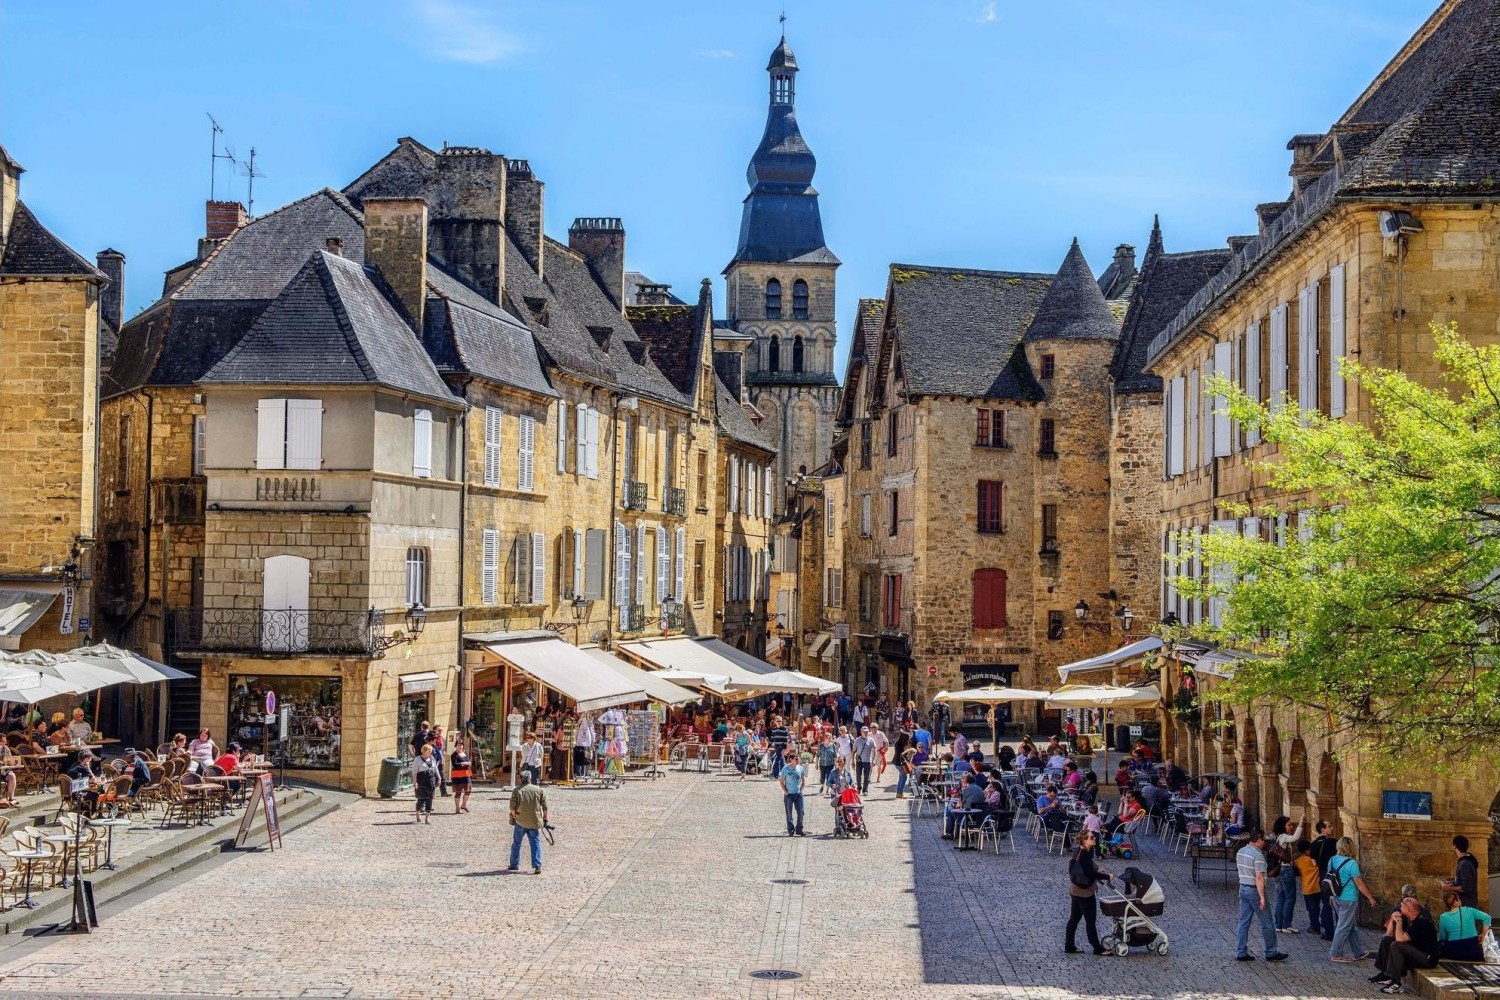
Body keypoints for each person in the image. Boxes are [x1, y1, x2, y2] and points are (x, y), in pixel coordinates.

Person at [1234, 830, 1290, 962]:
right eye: (1263, 840)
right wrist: (1262, 897)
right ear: (1258, 840)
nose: (1264, 843)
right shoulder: (1257, 855)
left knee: (1243, 922)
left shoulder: (1240, 851)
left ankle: (1241, 951)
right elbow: (1259, 877)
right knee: (1267, 923)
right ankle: (1271, 951)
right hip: (1254, 890)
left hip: (1243, 888)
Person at [1370, 895, 1438, 993]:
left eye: (1402, 906)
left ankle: (1396, 982)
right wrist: (1393, 919)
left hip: (1426, 957)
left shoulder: (1422, 922)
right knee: (1387, 940)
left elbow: (1400, 939)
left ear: (1408, 909)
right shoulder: (1407, 918)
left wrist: (1398, 922)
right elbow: (1389, 934)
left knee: (1396, 945)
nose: (1399, 908)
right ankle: (1386, 975)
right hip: (1414, 950)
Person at [1327, 836, 1378, 962]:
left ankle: (1358, 952)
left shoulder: (1332, 860)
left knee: (1350, 925)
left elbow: (1330, 879)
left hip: (1335, 897)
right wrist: (1370, 898)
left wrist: (1331, 896)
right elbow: (1359, 883)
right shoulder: (1351, 863)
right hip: (1348, 899)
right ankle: (1336, 953)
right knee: (1343, 926)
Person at [1065, 830, 1112, 955]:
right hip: (1084, 893)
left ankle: (1069, 946)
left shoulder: (1078, 851)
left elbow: (1086, 870)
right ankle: (1097, 948)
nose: (1094, 839)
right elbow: (1089, 874)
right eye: (1091, 837)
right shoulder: (1085, 854)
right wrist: (1107, 876)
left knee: (1074, 919)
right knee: (1090, 921)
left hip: (1075, 890)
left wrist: (1098, 871)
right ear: (1084, 840)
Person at [507, 772, 548, 874]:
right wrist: (545, 818)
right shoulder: (539, 790)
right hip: (534, 821)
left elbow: (512, 807)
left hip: (520, 821)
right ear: (530, 778)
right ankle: (537, 865)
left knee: (516, 843)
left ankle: (514, 864)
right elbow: (545, 807)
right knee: (535, 843)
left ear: (521, 779)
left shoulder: (517, 790)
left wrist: (514, 815)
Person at [1437, 889, 1492, 961]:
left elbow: (1443, 937)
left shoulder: (1443, 917)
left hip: (1454, 951)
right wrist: (1483, 934)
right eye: (1458, 899)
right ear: (1456, 902)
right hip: (1472, 950)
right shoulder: (1469, 910)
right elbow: (1487, 917)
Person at [1271, 815, 1304, 934]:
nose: (1291, 827)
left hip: (1278, 871)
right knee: (1290, 897)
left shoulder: (1277, 837)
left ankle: (1278, 925)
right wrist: (1300, 823)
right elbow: (1296, 837)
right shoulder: (1284, 837)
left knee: (1281, 897)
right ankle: (1286, 924)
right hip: (1285, 870)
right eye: (1289, 825)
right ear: (1283, 826)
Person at [1310, 820, 1340, 941]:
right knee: (1338, 903)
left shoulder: (1314, 844)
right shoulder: (1334, 843)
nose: (1331, 829)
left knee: (1326, 904)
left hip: (1324, 875)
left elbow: (1314, 863)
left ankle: (1329, 933)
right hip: (1336, 874)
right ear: (1322, 829)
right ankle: (1340, 932)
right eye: (1329, 827)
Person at [1440, 835, 1481, 910]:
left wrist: (1448, 888)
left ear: (1454, 846)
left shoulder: (1464, 863)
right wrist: (1452, 883)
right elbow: (1465, 881)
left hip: (1467, 905)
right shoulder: (1466, 861)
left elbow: (1466, 887)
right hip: (1467, 904)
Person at [1293, 840, 1325, 935]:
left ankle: (1315, 927)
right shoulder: (1314, 860)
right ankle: (1317, 924)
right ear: (1308, 850)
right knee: (1317, 907)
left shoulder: (1299, 861)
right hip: (1317, 887)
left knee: (1311, 909)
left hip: (1307, 889)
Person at [779, 750, 806, 837]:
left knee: (801, 812)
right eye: (795, 758)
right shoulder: (785, 769)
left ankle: (799, 829)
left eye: (797, 758)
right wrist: (785, 791)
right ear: (791, 759)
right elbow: (781, 781)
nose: (797, 760)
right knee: (789, 814)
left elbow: (803, 780)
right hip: (789, 794)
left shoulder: (800, 768)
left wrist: (802, 789)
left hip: (798, 794)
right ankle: (790, 830)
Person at [411, 742, 440, 824]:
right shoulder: (417, 759)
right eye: (429, 751)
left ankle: (427, 818)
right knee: (421, 799)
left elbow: (435, 769)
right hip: (421, 781)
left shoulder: (432, 758)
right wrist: (415, 782)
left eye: (430, 751)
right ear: (424, 751)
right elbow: (414, 772)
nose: (430, 752)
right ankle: (417, 814)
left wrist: (439, 778)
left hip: (431, 781)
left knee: (430, 799)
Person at [450, 738, 472, 814]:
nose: (460, 747)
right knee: (458, 792)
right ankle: (457, 808)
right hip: (457, 776)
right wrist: (464, 764)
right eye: (458, 745)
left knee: (468, 791)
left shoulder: (464, 753)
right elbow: (455, 765)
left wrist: (469, 764)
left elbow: (467, 762)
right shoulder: (454, 755)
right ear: (456, 746)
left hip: (466, 775)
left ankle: (463, 805)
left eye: (461, 745)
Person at [852, 728, 876, 794]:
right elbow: (853, 751)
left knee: (867, 777)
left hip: (868, 761)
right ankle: (859, 788)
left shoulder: (871, 740)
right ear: (861, 732)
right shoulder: (857, 740)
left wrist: (873, 760)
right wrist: (852, 762)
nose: (866, 733)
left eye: (867, 732)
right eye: (864, 732)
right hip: (859, 761)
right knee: (858, 775)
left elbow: (874, 750)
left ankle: (865, 790)